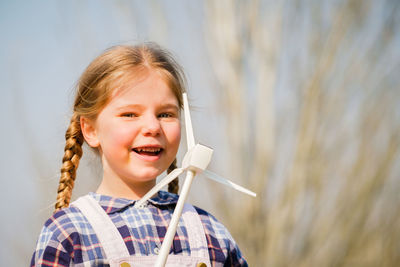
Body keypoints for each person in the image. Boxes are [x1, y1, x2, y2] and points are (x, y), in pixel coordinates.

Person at [31, 43, 248, 267]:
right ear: (91, 130)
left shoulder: (211, 233)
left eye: (165, 114)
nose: (153, 127)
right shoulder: (68, 234)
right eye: (130, 114)